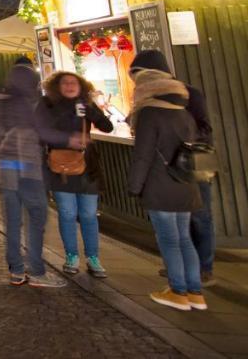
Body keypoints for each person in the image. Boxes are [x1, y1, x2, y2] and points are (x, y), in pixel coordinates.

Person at [131, 49, 217, 287]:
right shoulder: (145, 99)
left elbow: (205, 130)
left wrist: (176, 139)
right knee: (179, 227)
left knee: (199, 217)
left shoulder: (188, 94)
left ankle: (203, 269)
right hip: (165, 168)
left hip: (193, 164)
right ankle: (183, 273)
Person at [34, 71, 113, 278]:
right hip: (60, 167)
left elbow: (107, 126)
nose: (70, 86)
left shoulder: (85, 103)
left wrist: (92, 112)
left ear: (82, 86)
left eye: (74, 82)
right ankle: (71, 256)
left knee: (88, 214)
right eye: (65, 83)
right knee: (67, 213)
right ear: (56, 87)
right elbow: (38, 132)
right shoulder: (47, 104)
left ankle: (93, 257)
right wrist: (67, 139)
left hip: (88, 166)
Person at [0, 62, 66, 287]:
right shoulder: (32, 102)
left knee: (13, 221)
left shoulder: (4, 101)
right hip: (27, 166)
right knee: (36, 217)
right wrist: (68, 139)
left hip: (6, 168)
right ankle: (36, 270)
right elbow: (42, 132)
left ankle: (16, 269)